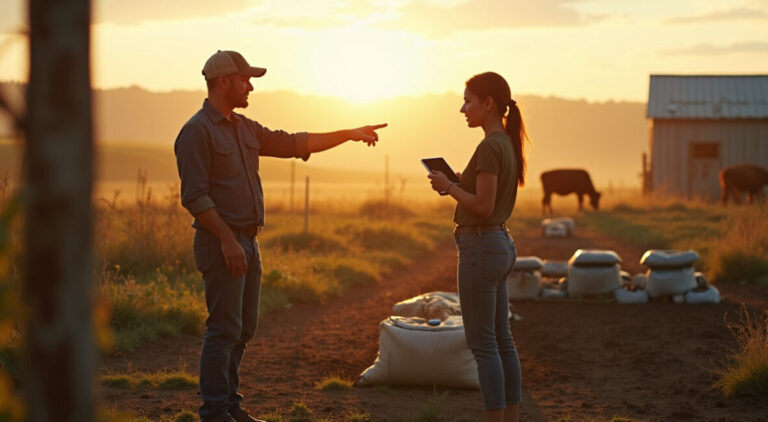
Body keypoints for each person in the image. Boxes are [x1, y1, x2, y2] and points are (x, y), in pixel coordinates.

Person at [174, 50, 387, 422]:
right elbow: (195, 196)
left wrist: (348, 134)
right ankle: (214, 413)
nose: (251, 86)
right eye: (245, 79)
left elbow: (294, 143)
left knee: (243, 329)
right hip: (221, 243)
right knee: (223, 329)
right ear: (224, 81)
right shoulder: (196, 132)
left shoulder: (245, 128)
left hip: (248, 242)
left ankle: (231, 406)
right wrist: (226, 239)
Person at [427, 71, 526, 422]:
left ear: (488, 103)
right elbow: (487, 199)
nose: (462, 108)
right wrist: (454, 184)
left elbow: (482, 206)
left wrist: (448, 186)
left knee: (483, 346)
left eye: (468, 101)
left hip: (481, 246)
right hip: (499, 243)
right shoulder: (507, 144)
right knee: (502, 341)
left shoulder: (489, 146)